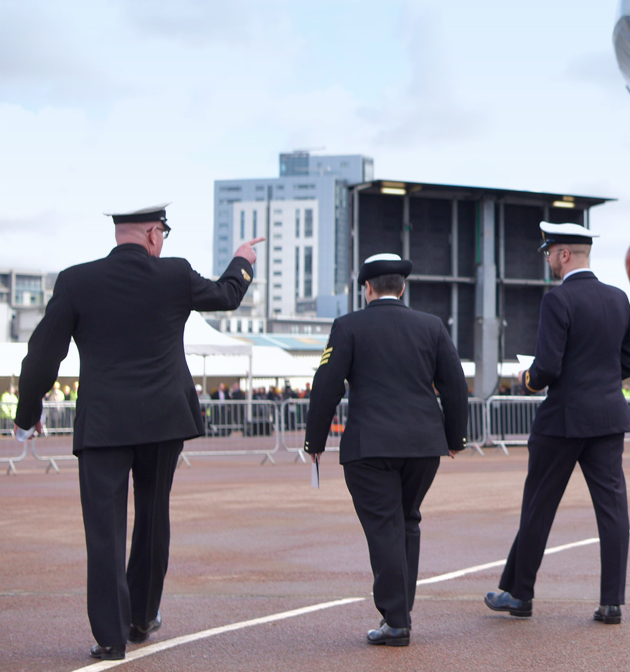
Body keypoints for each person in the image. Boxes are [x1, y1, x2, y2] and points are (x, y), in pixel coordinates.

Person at [12, 203, 261, 661]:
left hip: (104, 422)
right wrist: (243, 259)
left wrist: (27, 416)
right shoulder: (175, 275)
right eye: (163, 232)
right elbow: (228, 295)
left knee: (104, 529)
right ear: (151, 234)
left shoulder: (75, 280)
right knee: (152, 516)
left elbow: (43, 355)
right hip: (164, 419)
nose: (163, 240)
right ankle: (142, 617)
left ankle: (110, 638)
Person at [303, 253, 468, 647]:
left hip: (370, 445)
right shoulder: (430, 326)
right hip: (424, 445)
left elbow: (327, 385)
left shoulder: (348, 326)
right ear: (403, 287)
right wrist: (455, 438)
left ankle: (396, 621)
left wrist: (315, 442)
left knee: (384, 529)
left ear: (368, 289)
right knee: (407, 522)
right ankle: (401, 613)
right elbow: (455, 383)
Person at [485, 222, 630, 625]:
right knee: (612, 510)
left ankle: (521, 596)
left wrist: (528, 378)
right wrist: (604, 377)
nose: (549, 261)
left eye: (549, 254)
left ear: (564, 255)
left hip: (563, 419)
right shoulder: (617, 298)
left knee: (539, 507)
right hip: (608, 417)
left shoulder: (557, 300)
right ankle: (612, 602)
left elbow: (548, 367)